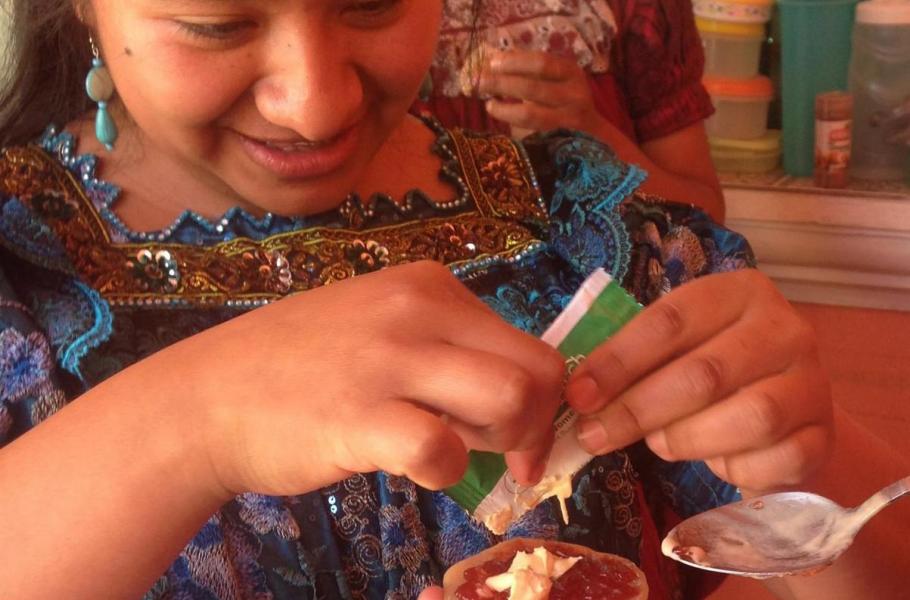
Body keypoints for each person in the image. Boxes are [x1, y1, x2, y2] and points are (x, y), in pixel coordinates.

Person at [0, 2, 906, 599]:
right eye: (216, 22)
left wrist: (804, 459)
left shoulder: (589, 231)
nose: (314, 105)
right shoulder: (23, 279)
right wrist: (195, 421)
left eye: (372, 3)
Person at [416, 0, 727, 222]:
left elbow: (705, 217)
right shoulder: (397, 24)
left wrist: (594, 142)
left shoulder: (635, 9)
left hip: (609, 294)